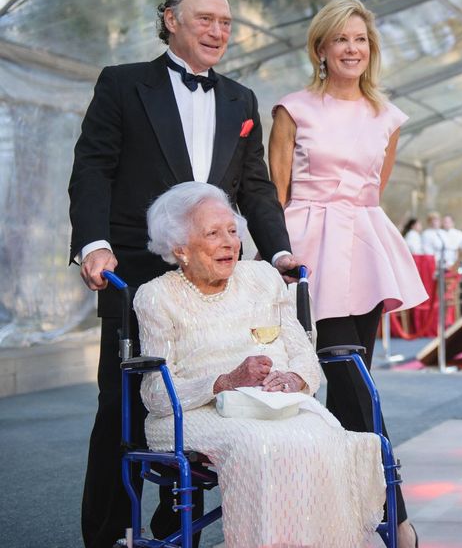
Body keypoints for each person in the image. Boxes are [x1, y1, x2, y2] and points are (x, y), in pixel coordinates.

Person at [68, 0, 301, 548]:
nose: (219, 31)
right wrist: (93, 243)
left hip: (217, 279)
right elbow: (93, 168)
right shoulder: (122, 85)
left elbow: (256, 187)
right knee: (121, 406)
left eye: (225, 23)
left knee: (208, 394)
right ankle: (109, 534)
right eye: (206, 19)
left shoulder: (241, 100)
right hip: (138, 274)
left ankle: (177, 521)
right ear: (170, 19)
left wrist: (278, 249)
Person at [136, 182, 385, 548]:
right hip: (191, 413)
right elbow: (155, 394)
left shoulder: (262, 278)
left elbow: (304, 354)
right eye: (213, 233)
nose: (229, 242)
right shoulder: (156, 296)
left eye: (233, 231)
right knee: (260, 446)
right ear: (180, 249)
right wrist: (224, 381)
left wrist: (294, 378)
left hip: (274, 404)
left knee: (327, 438)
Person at [268, 0, 425, 548]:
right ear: (321, 48)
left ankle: (345, 522)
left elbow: (373, 191)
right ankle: (397, 515)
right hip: (307, 255)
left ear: (370, 49)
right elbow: (276, 191)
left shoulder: (387, 116)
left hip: (365, 252)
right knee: (348, 388)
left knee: (351, 394)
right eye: (341, 39)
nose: (352, 49)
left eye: (360, 40)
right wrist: (277, 260)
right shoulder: (292, 109)